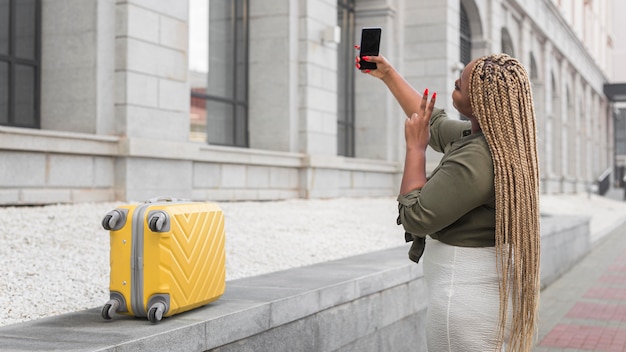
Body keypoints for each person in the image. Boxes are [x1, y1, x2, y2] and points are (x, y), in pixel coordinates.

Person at [356, 52, 540, 351]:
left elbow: (416, 215)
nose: (454, 83)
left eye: (459, 85)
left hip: (464, 303)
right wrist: (388, 74)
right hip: (477, 294)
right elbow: (437, 123)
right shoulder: (500, 140)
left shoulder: (479, 158)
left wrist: (415, 149)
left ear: (480, 104)